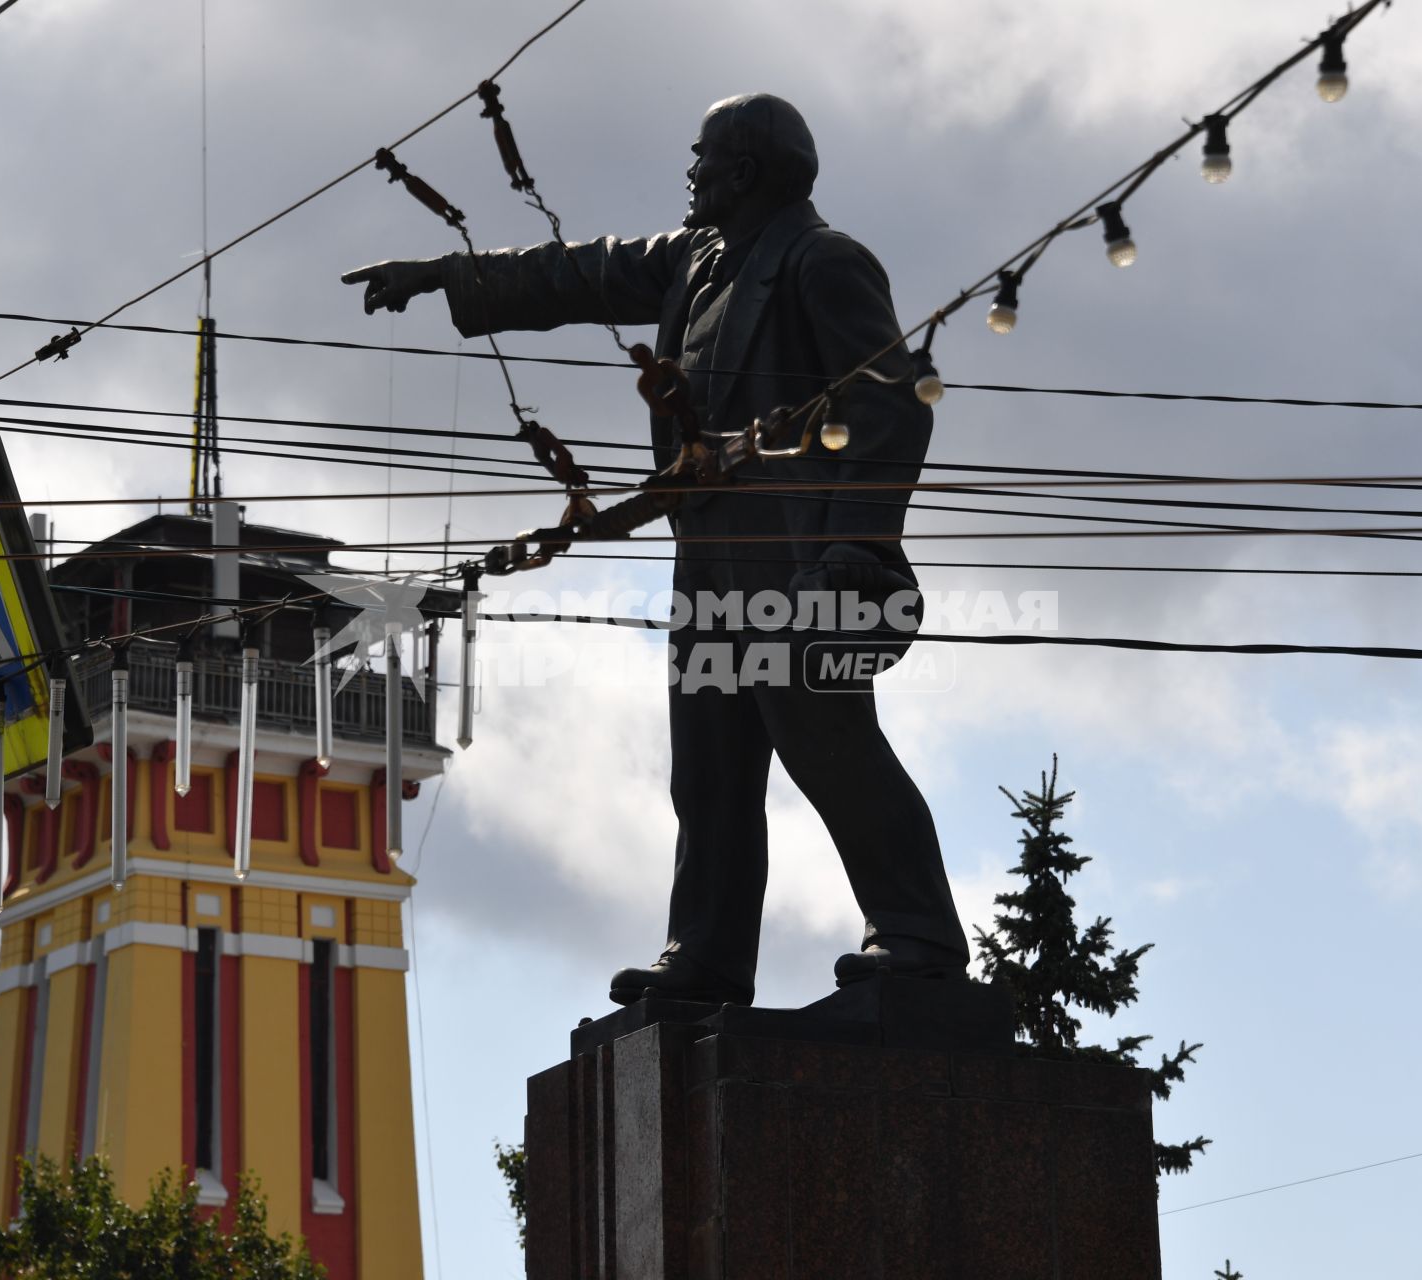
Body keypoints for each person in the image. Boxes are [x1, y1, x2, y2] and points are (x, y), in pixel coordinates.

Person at [345, 93, 968, 1006]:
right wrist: (448, 275)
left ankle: (917, 934)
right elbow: (581, 272)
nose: (691, 174)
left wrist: (854, 544)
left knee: (827, 741)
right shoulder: (697, 262)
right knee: (709, 769)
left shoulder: (821, 262)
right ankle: (708, 957)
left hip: (802, 564)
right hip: (710, 560)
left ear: (744, 172)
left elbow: (890, 403)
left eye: (703, 158)